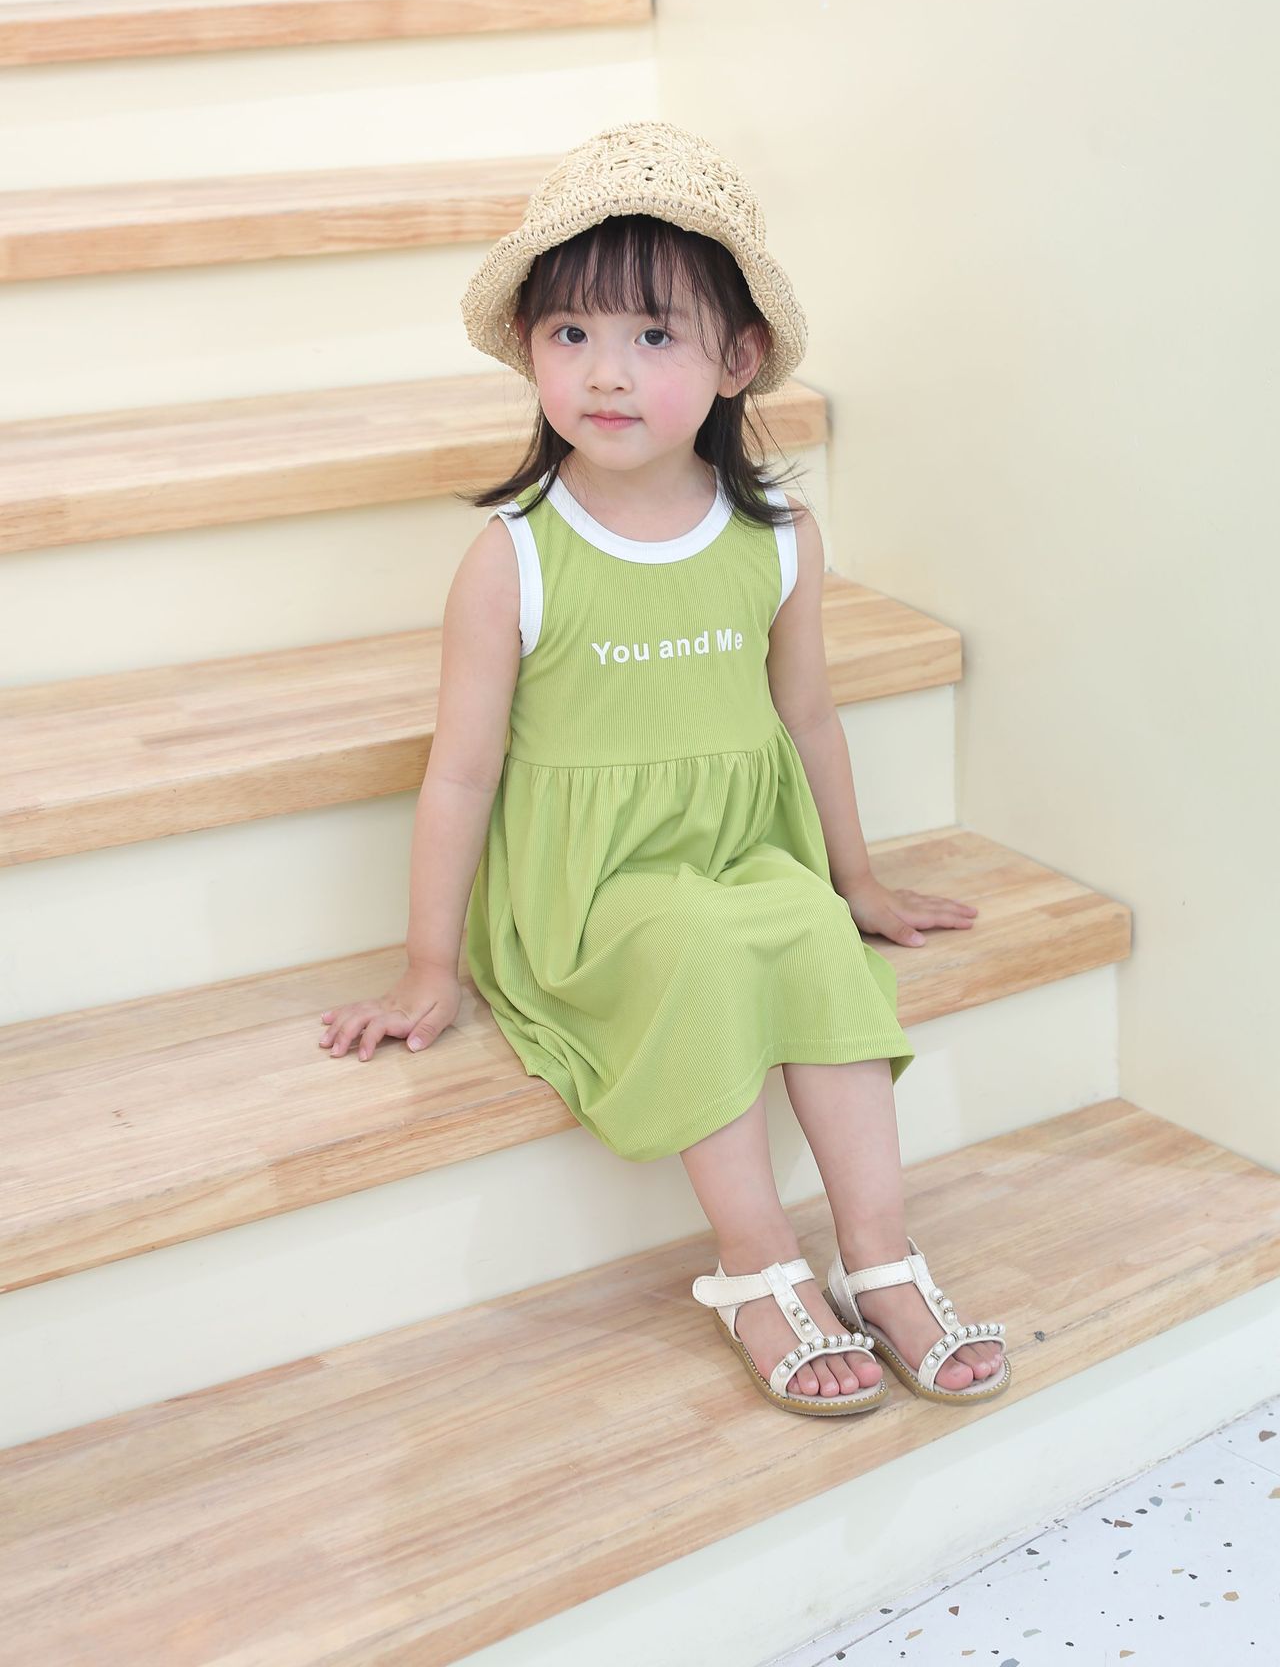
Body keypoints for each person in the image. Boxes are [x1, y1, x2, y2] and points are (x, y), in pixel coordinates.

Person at [318, 120, 1009, 1417]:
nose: (605, 372)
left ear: (736, 358)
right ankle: (755, 1262)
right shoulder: (517, 555)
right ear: (528, 348)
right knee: (696, 943)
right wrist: (429, 964)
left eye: (652, 335)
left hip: (744, 849)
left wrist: (855, 879)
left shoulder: (776, 537)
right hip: (595, 892)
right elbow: (460, 774)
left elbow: (809, 720)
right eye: (569, 332)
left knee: (809, 932)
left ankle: (878, 1255)